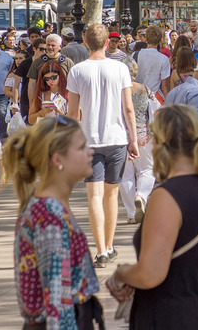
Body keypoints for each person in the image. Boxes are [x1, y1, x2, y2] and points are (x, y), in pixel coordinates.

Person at [106, 104, 198, 330]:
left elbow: (150, 273)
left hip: (177, 316)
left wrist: (121, 274)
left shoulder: (167, 196)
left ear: (158, 142)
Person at [3, 115, 103, 329]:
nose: (90, 151)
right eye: (82, 147)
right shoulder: (49, 216)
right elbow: (57, 299)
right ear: (58, 160)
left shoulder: (49, 207)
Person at [66, 23, 139, 268]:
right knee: (112, 195)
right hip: (116, 138)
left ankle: (99, 250)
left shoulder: (77, 71)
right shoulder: (120, 69)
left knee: (94, 197)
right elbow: (128, 108)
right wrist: (134, 138)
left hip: (89, 141)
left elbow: (72, 113)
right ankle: (109, 245)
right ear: (108, 43)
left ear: (86, 42)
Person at [117, 58, 157, 225]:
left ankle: (131, 213)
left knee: (125, 175)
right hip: (144, 136)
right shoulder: (144, 89)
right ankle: (141, 195)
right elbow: (155, 110)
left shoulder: (115, 91)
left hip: (121, 137)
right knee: (147, 170)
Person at [28, 60, 69, 125]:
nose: (50, 81)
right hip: (46, 132)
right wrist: (41, 112)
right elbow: (30, 120)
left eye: (54, 77)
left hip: (63, 132)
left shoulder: (69, 93)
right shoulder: (41, 94)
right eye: (46, 79)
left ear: (60, 75)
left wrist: (63, 114)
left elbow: (77, 118)